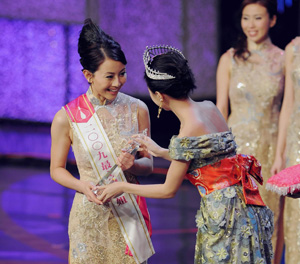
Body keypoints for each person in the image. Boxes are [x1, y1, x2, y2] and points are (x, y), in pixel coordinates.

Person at [97, 45, 274, 263]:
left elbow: (167, 190)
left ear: (159, 96)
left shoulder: (188, 130)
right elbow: (208, 158)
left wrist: (121, 186)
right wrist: (161, 151)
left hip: (224, 213)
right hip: (247, 203)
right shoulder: (209, 107)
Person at [50, 18, 154, 264]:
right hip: (88, 214)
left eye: (122, 73)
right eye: (109, 76)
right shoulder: (67, 117)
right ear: (88, 75)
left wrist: (133, 165)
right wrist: (81, 186)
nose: (118, 82)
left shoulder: (138, 109)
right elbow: (56, 169)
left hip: (128, 213)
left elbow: (148, 166)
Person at [215, 1, 285, 262]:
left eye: (258, 18)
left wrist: (282, 154)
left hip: (271, 151)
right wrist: (218, 153)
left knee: (269, 221)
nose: (251, 25)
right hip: (237, 153)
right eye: (246, 18)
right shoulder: (230, 58)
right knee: (236, 222)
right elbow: (221, 108)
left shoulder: (284, 58)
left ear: (273, 20)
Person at [271, 36, 300, 264]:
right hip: (296, 141)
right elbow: (288, 102)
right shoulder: (294, 48)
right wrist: (280, 152)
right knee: (295, 223)